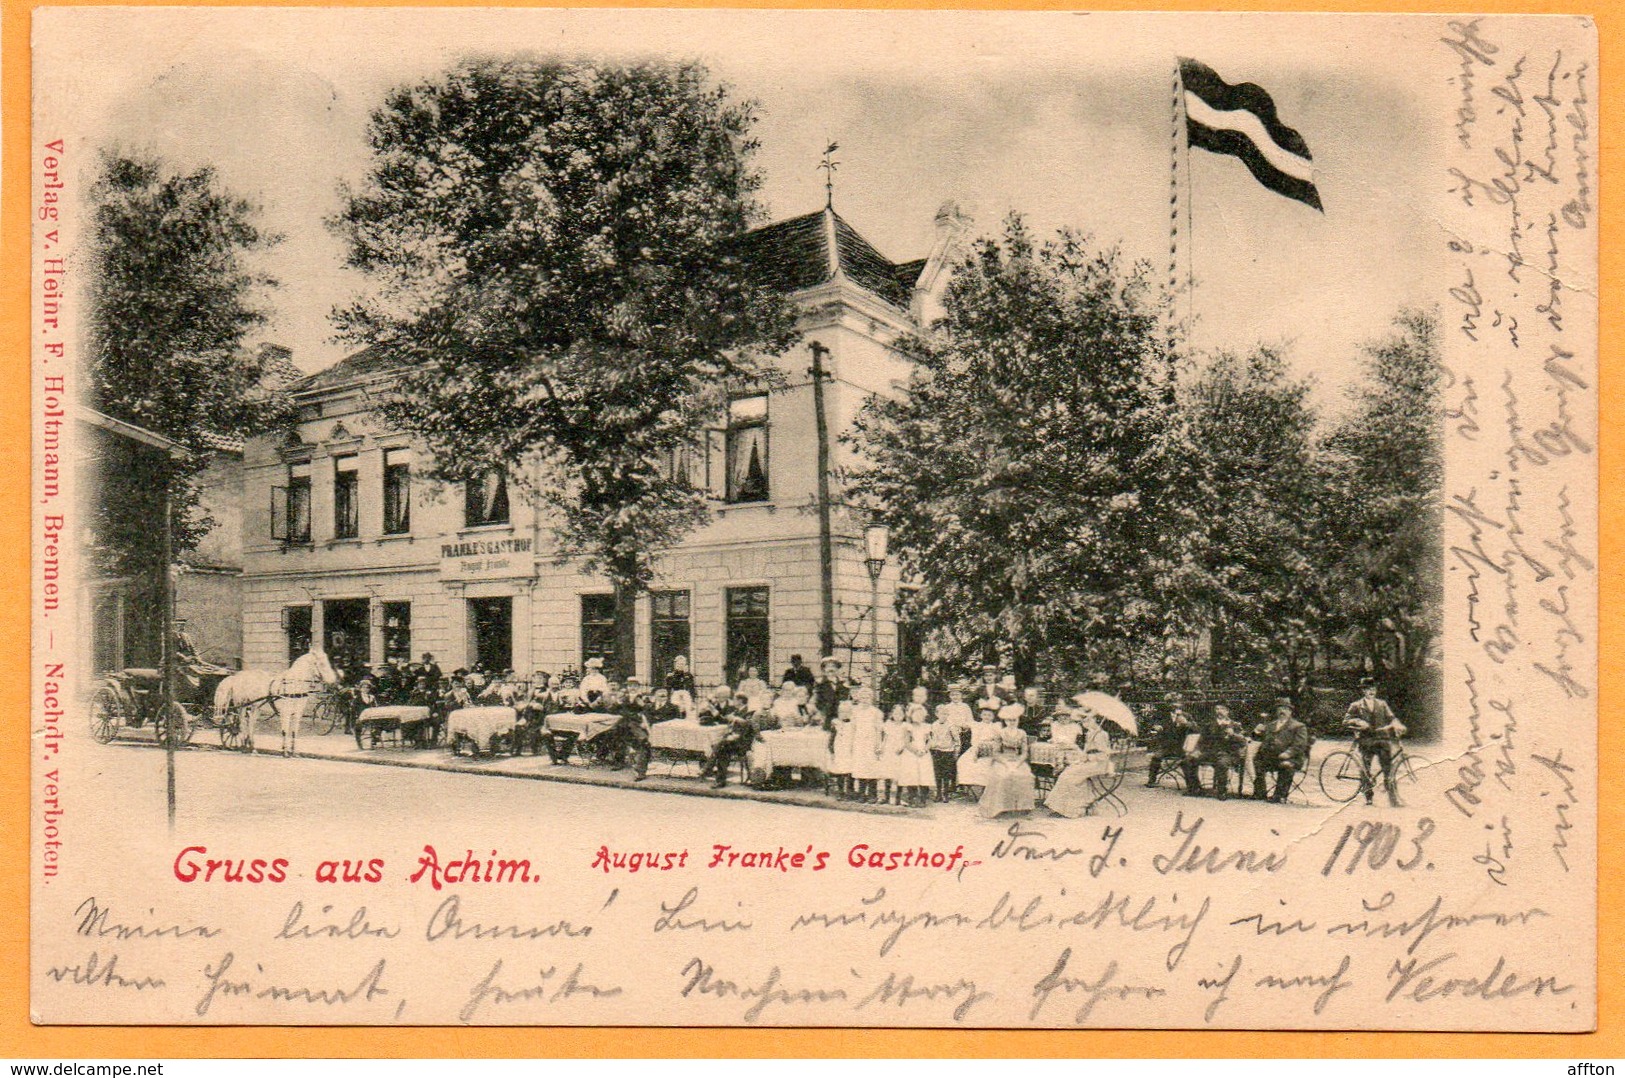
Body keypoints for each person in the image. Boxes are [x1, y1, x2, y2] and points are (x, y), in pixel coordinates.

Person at [1343, 678, 1407, 807]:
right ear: (1363, 691)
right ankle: (1368, 796)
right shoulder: (1356, 705)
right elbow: (1346, 720)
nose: (1371, 691)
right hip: (1366, 740)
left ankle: (1393, 798)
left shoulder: (1382, 704)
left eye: (1373, 688)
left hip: (1382, 739)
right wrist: (1359, 722)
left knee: (1388, 769)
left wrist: (1397, 724)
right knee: (1366, 768)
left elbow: (1391, 718)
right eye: (1368, 689)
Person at [1045, 706, 1116, 818]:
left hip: (1098, 764)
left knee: (1069, 776)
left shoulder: (1101, 734)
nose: (1085, 723)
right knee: (1068, 773)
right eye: (1083, 721)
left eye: (1088, 720)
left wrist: (1087, 757)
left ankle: (1071, 810)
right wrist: (1081, 758)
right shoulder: (1090, 733)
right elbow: (1085, 752)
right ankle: (1079, 808)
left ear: (1095, 720)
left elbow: (1104, 756)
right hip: (1089, 763)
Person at [978, 703, 1037, 818]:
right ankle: (1001, 807)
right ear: (1005, 721)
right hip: (1002, 759)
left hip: (1017, 759)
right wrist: (1007, 764)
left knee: (1026, 776)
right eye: (1009, 720)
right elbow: (995, 753)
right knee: (1003, 776)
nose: (1012, 722)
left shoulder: (1022, 733)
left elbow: (1025, 752)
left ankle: (1022, 807)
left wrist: (1017, 764)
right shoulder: (1000, 732)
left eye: (1014, 720)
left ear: (1018, 720)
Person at [1252, 698, 1311, 803]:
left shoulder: (1298, 726)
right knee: (1257, 761)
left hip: (1293, 758)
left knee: (1286, 765)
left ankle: (1280, 795)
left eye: (1285, 709)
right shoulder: (1271, 725)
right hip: (1273, 757)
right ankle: (1260, 792)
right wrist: (1257, 731)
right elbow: (1260, 739)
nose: (1282, 711)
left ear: (1290, 711)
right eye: (1279, 709)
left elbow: (1300, 745)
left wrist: (1288, 753)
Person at [1144, 694, 1198, 789]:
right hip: (1166, 746)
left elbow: (1196, 729)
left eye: (1177, 702)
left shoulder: (1187, 716)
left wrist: (1186, 723)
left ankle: (1191, 784)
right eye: (1172, 703)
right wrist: (1155, 727)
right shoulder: (1162, 715)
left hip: (1182, 747)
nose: (1175, 705)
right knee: (1156, 757)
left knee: (1187, 760)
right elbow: (1152, 724)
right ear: (1168, 704)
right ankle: (1151, 780)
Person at [1198, 705, 1250, 801]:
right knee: (1188, 760)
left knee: (1222, 763)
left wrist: (1233, 734)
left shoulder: (1235, 725)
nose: (1219, 711)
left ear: (1227, 711)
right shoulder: (1209, 724)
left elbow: (1243, 741)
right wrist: (1199, 751)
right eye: (1217, 709)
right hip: (1211, 753)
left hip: (1228, 753)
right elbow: (1201, 741)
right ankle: (1194, 788)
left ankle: (1222, 791)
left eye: (1222, 709)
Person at [848, 686, 886, 803]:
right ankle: (861, 793)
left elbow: (879, 730)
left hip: (871, 742)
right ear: (859, 698)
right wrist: (851, 744)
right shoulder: (854, 711)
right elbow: (852, 728)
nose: (865, 699)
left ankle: (872, 794)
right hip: (859, 742)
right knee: (860, 767)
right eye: (862, 697)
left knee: (871, 767)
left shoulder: (876, 712)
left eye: (867, 697)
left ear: (871, 698)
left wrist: (878, 744)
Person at [956, 698, 1000, 798]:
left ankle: (986, 790)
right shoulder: (975, 724)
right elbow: (961, 724)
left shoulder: (995, 726)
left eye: (989, 715)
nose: (986, 717)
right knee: (963, 762)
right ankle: (970, 788)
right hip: (975, 749)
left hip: (989, 749)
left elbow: (998, 739)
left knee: (986, 765)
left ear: (993, 717)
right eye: (984, 715)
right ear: (981, 715)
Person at [900, 703, 936, 807]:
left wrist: (924, 750)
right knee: (913, 774)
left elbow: (930, 741)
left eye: (920, 715)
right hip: (912, 752)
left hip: (923, 752)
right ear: (911, 715)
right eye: (916, 715)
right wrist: (915, 751)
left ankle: (923, 798)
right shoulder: (908, 727)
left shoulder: (927, 727)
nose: (918, 717)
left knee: (924, 775)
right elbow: (906, 742)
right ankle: (912, 797)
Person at [925, 700, 961, 803]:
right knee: (937, 773)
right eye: (941, 713)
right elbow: (931, 738)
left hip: (947, 751)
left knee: (946, 773)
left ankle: (945, 794)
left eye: (946, 714)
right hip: (936, 751)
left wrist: (956, 751)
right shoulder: (934, 725)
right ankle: (938, 794)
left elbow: (957, 740)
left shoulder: (951, 725)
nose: (944, 716)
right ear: (937, 714)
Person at [879, 705, 910, 805]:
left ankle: (898, 798)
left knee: (898, 775)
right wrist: (881, 748)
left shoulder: (905, 725)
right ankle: (886, 797)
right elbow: (885, 738)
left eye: (900, 714)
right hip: (889, 750)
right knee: (888, 773)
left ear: (904, 715)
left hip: (900, 751)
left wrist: (901, 747)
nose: (898, 716)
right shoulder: (888, 724)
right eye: (896, 713)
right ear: (892, 714)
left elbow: (907, 739)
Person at [827, 699, 856, 799]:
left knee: (850, 771)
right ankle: (840, 791)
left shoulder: (853, 724)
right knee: (840, 770)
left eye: (847, 712)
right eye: (842, 712)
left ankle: (850, 791)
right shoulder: (836, 723)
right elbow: (832, 737)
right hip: (839, 750)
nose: (844, 714)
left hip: (849, 750)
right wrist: (831, 750)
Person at [937, 684, 975, 755]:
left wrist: (966, 725)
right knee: (951, 752)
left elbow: (971, 721)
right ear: (949, 696)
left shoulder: (965, 707)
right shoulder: (947, 707)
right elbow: (944, 721)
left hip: (964, 733)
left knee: (964, 753)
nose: (955, 697)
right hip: (950, 734)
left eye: (957, 694)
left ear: (961, 695)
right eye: (952, 695)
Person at [814, 657, 850, 729]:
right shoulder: (819, 684)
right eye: (828, 666)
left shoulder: (843, 683)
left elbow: (846, 699)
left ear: (837, 669)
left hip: (841, 716)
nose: (831, 669)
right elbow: (817, 702)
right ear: (824, 669)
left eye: (833, 666)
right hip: (825, 717)